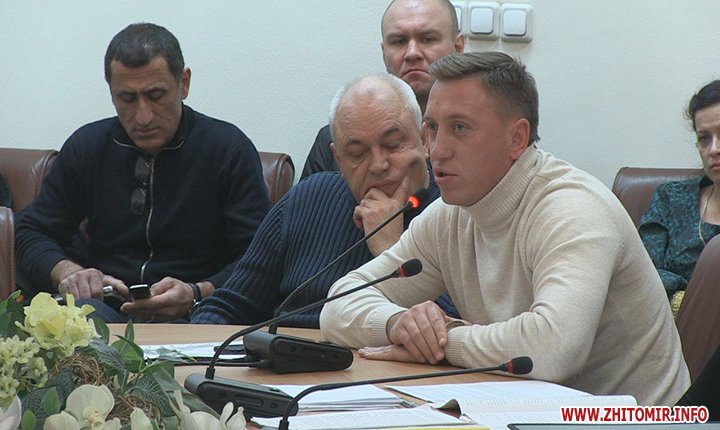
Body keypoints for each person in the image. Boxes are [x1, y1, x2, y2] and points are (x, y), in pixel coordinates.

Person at [320, 52, 689, 406]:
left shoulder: (573, 209)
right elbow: (337, 305)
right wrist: (400, 324)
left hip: (636, 418)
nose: (438, 150)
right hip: (525, 409)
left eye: (460, 128)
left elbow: (553, 349)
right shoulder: (450, 215)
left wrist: (443, 339)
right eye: (432, 128)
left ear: (517, 138)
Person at [15, 23, 270, 322]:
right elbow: (31, 231)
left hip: (199, 313)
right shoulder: (88, 147)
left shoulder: (228, 150)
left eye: (156, 95)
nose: (143, 117)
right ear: (111, 93)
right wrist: (68, 272)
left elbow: (260, 260)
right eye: (127, 99)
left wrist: (198, 292)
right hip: (105, 311)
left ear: (184, 83)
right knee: (79, 322)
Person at [192, 74, 456, 327]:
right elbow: (226, 308)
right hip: (290, 352)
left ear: (425, 140)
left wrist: (391, 248)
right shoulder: (306, 200)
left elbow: (455, 327)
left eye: (393, 144)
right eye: (358, 153)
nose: (378, 165)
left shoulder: (455, 215)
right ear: (338, 159)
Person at [301, 0, 464, 179]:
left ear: (458, 47)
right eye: (399, 41)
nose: (412, 53)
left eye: (428, 39)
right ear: (384, 52)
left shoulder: (479, 136)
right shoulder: (336, 139)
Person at [639, 80, 720, 312]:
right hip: (669, 324)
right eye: (704, 138)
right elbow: (642, 272)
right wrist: (682, 301)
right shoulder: (670, 198)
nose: (714, 149)